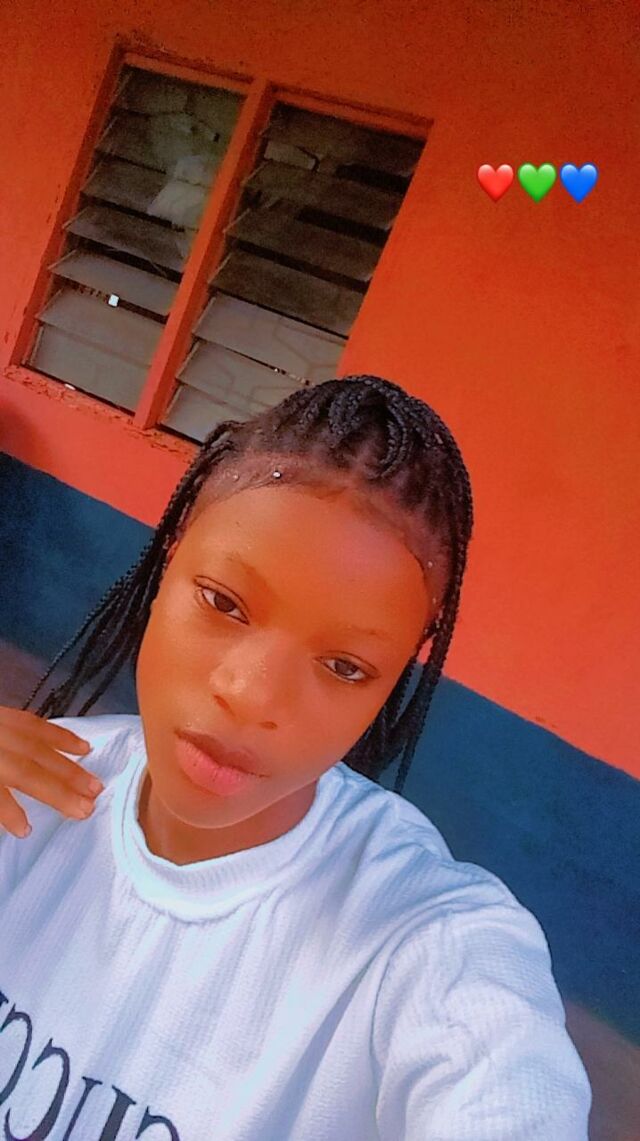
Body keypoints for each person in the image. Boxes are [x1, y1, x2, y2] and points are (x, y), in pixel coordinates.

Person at [0, 375, 591, 1138]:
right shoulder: (30, 790)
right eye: (223, 602)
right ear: (170, 558)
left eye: (344, 666)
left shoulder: (426, 942)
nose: (252, 696)